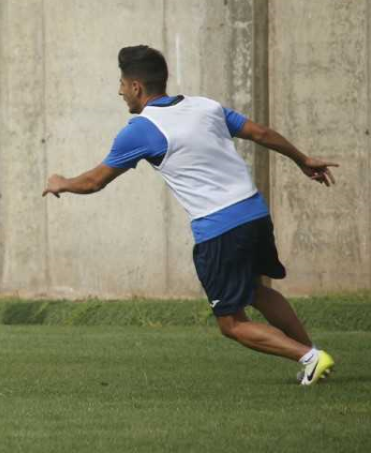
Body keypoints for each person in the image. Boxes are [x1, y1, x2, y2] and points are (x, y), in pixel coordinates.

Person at [42, 45, 337, 386]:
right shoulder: (204, 106)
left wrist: (61, 182)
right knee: (257, 292)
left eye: (122, 83)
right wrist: (302, 159)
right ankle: (311, 354)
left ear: (136, 86)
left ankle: (310, 357)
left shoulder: (141, 129)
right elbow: (261, 134)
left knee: (232, 324)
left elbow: (95, 182)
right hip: (254, 212)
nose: (120, 91)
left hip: (220, 228)